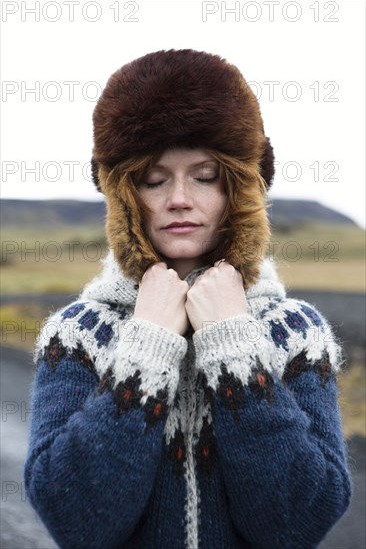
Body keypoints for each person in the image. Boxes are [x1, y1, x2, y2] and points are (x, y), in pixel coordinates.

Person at [24, 49, 351, 549]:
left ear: (238, 192)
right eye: (154, 180)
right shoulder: (78, 333)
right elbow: (78, 525)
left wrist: (233, 346)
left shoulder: (294, 331)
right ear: (126, 197)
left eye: (205, 176)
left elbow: (296, 524)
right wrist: (147, 344)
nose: (179, 198)